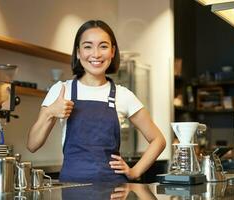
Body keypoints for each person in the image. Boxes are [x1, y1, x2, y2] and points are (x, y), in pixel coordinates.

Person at [27, 20, 166, 183]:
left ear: (113, 51)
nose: (96, 54)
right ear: (78, 53)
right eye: (87, 46)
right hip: (71, 188)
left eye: (103, 46)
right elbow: (32, 145)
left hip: (114, 189)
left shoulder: (123, 95)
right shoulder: (62, 90)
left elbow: (158, 140)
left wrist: (134, 172)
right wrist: (50, 112)